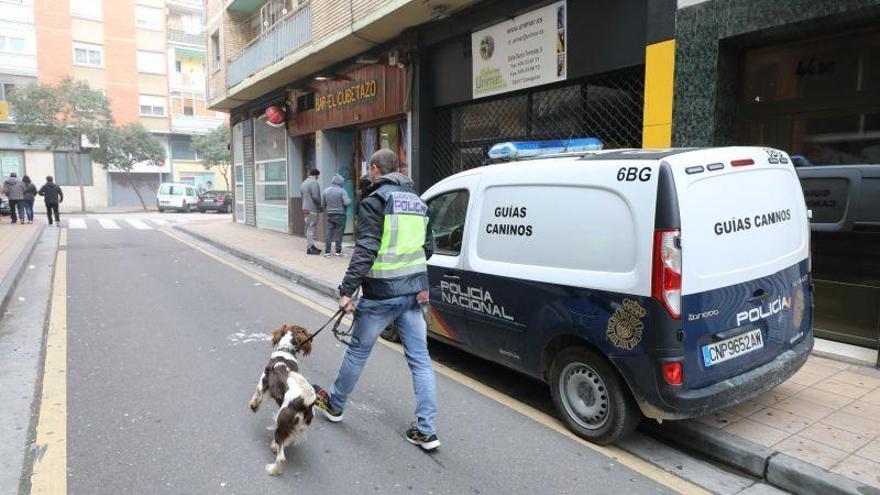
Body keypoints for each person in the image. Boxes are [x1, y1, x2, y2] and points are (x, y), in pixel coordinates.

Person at [313, 149, 440, 451]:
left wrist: (347, 290)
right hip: (414, 294)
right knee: (421, 362)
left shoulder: (375, 200)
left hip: (382, 294)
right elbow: (429, 248)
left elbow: (366, 248)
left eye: (369, 170)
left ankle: (335, 404)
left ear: (374, 169)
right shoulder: (419, 202)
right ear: (398, 169)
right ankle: (426, 430)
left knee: (357, 352)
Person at [321, 174, 351, 257]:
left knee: (329, 233)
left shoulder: (325, 191)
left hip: (330, 214)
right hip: (340, 215)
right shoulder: (342, 191)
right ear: (339, 182)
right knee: (339, 233)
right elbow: (347, 202)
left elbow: (323, 204)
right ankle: (338, 251)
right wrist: (349, 200)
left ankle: (327, 252)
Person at [301, 168, 322, 255]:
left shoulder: (304, 182)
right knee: (311, 228)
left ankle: (311, 245)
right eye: (318, 176)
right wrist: (319, 205)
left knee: (308, 227)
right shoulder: (314, 182)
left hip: (305, 208)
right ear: (316, 175)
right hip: (312, 208)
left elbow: (302, 195)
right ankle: (310, 248)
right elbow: (315, 196)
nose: (318, 177)